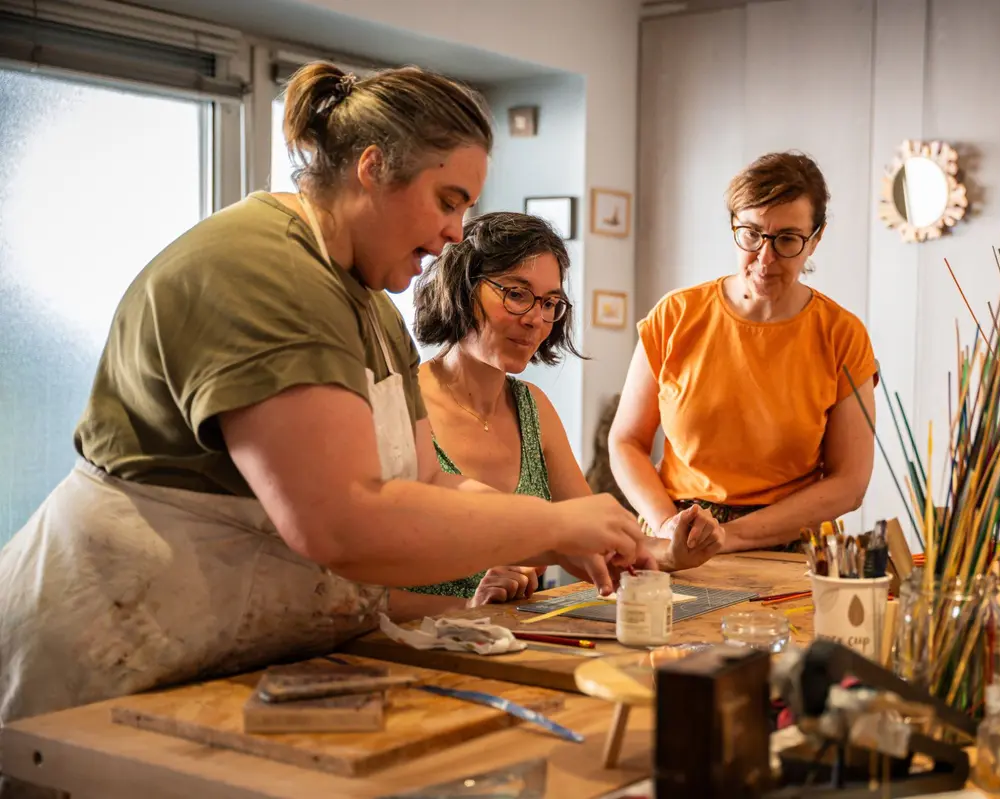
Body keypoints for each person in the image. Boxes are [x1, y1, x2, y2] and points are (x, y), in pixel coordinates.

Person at [0, 62, 650, 730]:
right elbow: (338, 522)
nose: (457, 232)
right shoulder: (265, 272)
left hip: (219, 660)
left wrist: (563, 537)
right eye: (447, 200)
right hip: (109, 654)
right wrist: (550, 526)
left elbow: (429, 482)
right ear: (372, 168)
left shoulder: (371, 304)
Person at [398, 212, 723, 609]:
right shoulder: (403, 402)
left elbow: (595, 540)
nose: (536, 319)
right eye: (517, 294)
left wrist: (674, 551)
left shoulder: (532, 408)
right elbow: (356, 595)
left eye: (550, 303)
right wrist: (469, 608)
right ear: (462, 288)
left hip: (516, 640)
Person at [608, 151, 878, 552]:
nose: (765, 259)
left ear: (815, 239)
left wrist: (728, 537)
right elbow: (626, 441)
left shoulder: (842, 334)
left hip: (787, 540)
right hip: (679, 533)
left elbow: (849, 483)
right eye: (751, 234)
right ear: (734, 225)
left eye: (787, 239)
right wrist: (665, 524)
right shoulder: (675, 315)